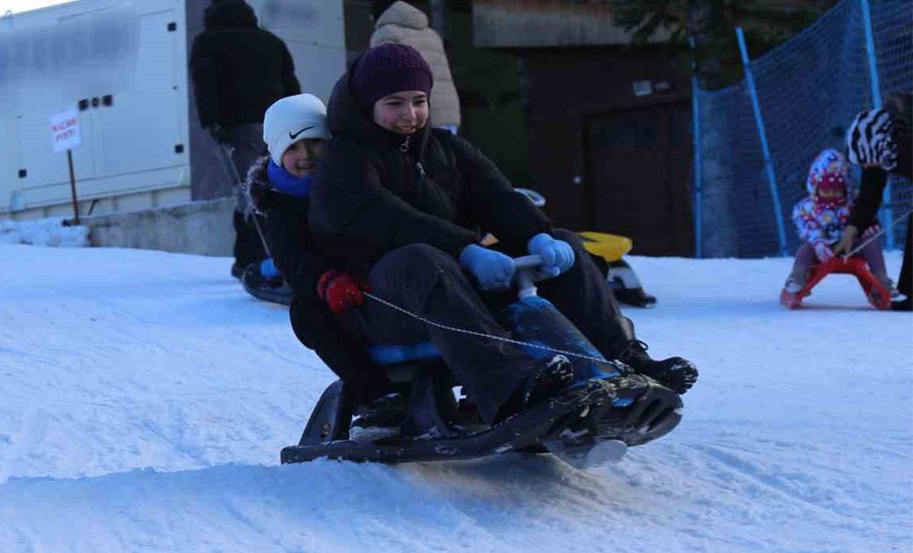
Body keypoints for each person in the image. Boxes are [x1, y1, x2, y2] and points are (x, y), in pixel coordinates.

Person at [308, 44, 696, 426]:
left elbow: (497, 196)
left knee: (567, 243)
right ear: (366, 105)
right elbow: (386, 218)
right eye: (394, 103)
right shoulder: (343, 161)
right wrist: (465, 250)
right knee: (420, 259)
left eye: (419, 101)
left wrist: (537, 236)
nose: (410, 114)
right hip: (382, 304)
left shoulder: (444, 148)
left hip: (455, 285)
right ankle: (507, 386)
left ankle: (624, 361)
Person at [247, 94, 403, 427]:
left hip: (383, 279)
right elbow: (293, 260)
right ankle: (377, 395)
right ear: (277, 154)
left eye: (314, 142)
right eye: (292, 148)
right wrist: (326, 280)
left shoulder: (358, 179)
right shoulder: (281, 206)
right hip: (338, 297)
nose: (306, 155)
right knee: (306, 313)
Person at [189, 0, 301, 277]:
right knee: (281, 186)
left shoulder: (207, 41)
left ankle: (257, 259)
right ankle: (261, 255)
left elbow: (204, 82)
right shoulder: (272, 42)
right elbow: (291, 85)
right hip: (280, 127)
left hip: (238, 128)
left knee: (249, 191)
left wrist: (211, 122)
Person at [781, 148, 893, 302]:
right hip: (822, 249)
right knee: (805, 249)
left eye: (837, 191)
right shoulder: (808, 207)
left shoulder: (853, 203)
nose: (832, 195)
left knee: (871, 243)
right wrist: (818, 243)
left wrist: (869, 228)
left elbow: (866, 218)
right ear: (816, 188)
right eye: (826, 191)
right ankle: (798, 277)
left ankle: (880, 279)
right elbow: (807, 226)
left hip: (852, 248)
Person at [837, 92, 912, 311]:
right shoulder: (883, 149)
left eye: (865, 161)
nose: (865, 167)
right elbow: (870, 194)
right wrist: (851, 230)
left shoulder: (905, 145)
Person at [370, 1, 461, 134]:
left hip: (413, 115)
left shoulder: (386, 33)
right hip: (447, 111)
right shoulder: (431, 34)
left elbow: (383, 77)